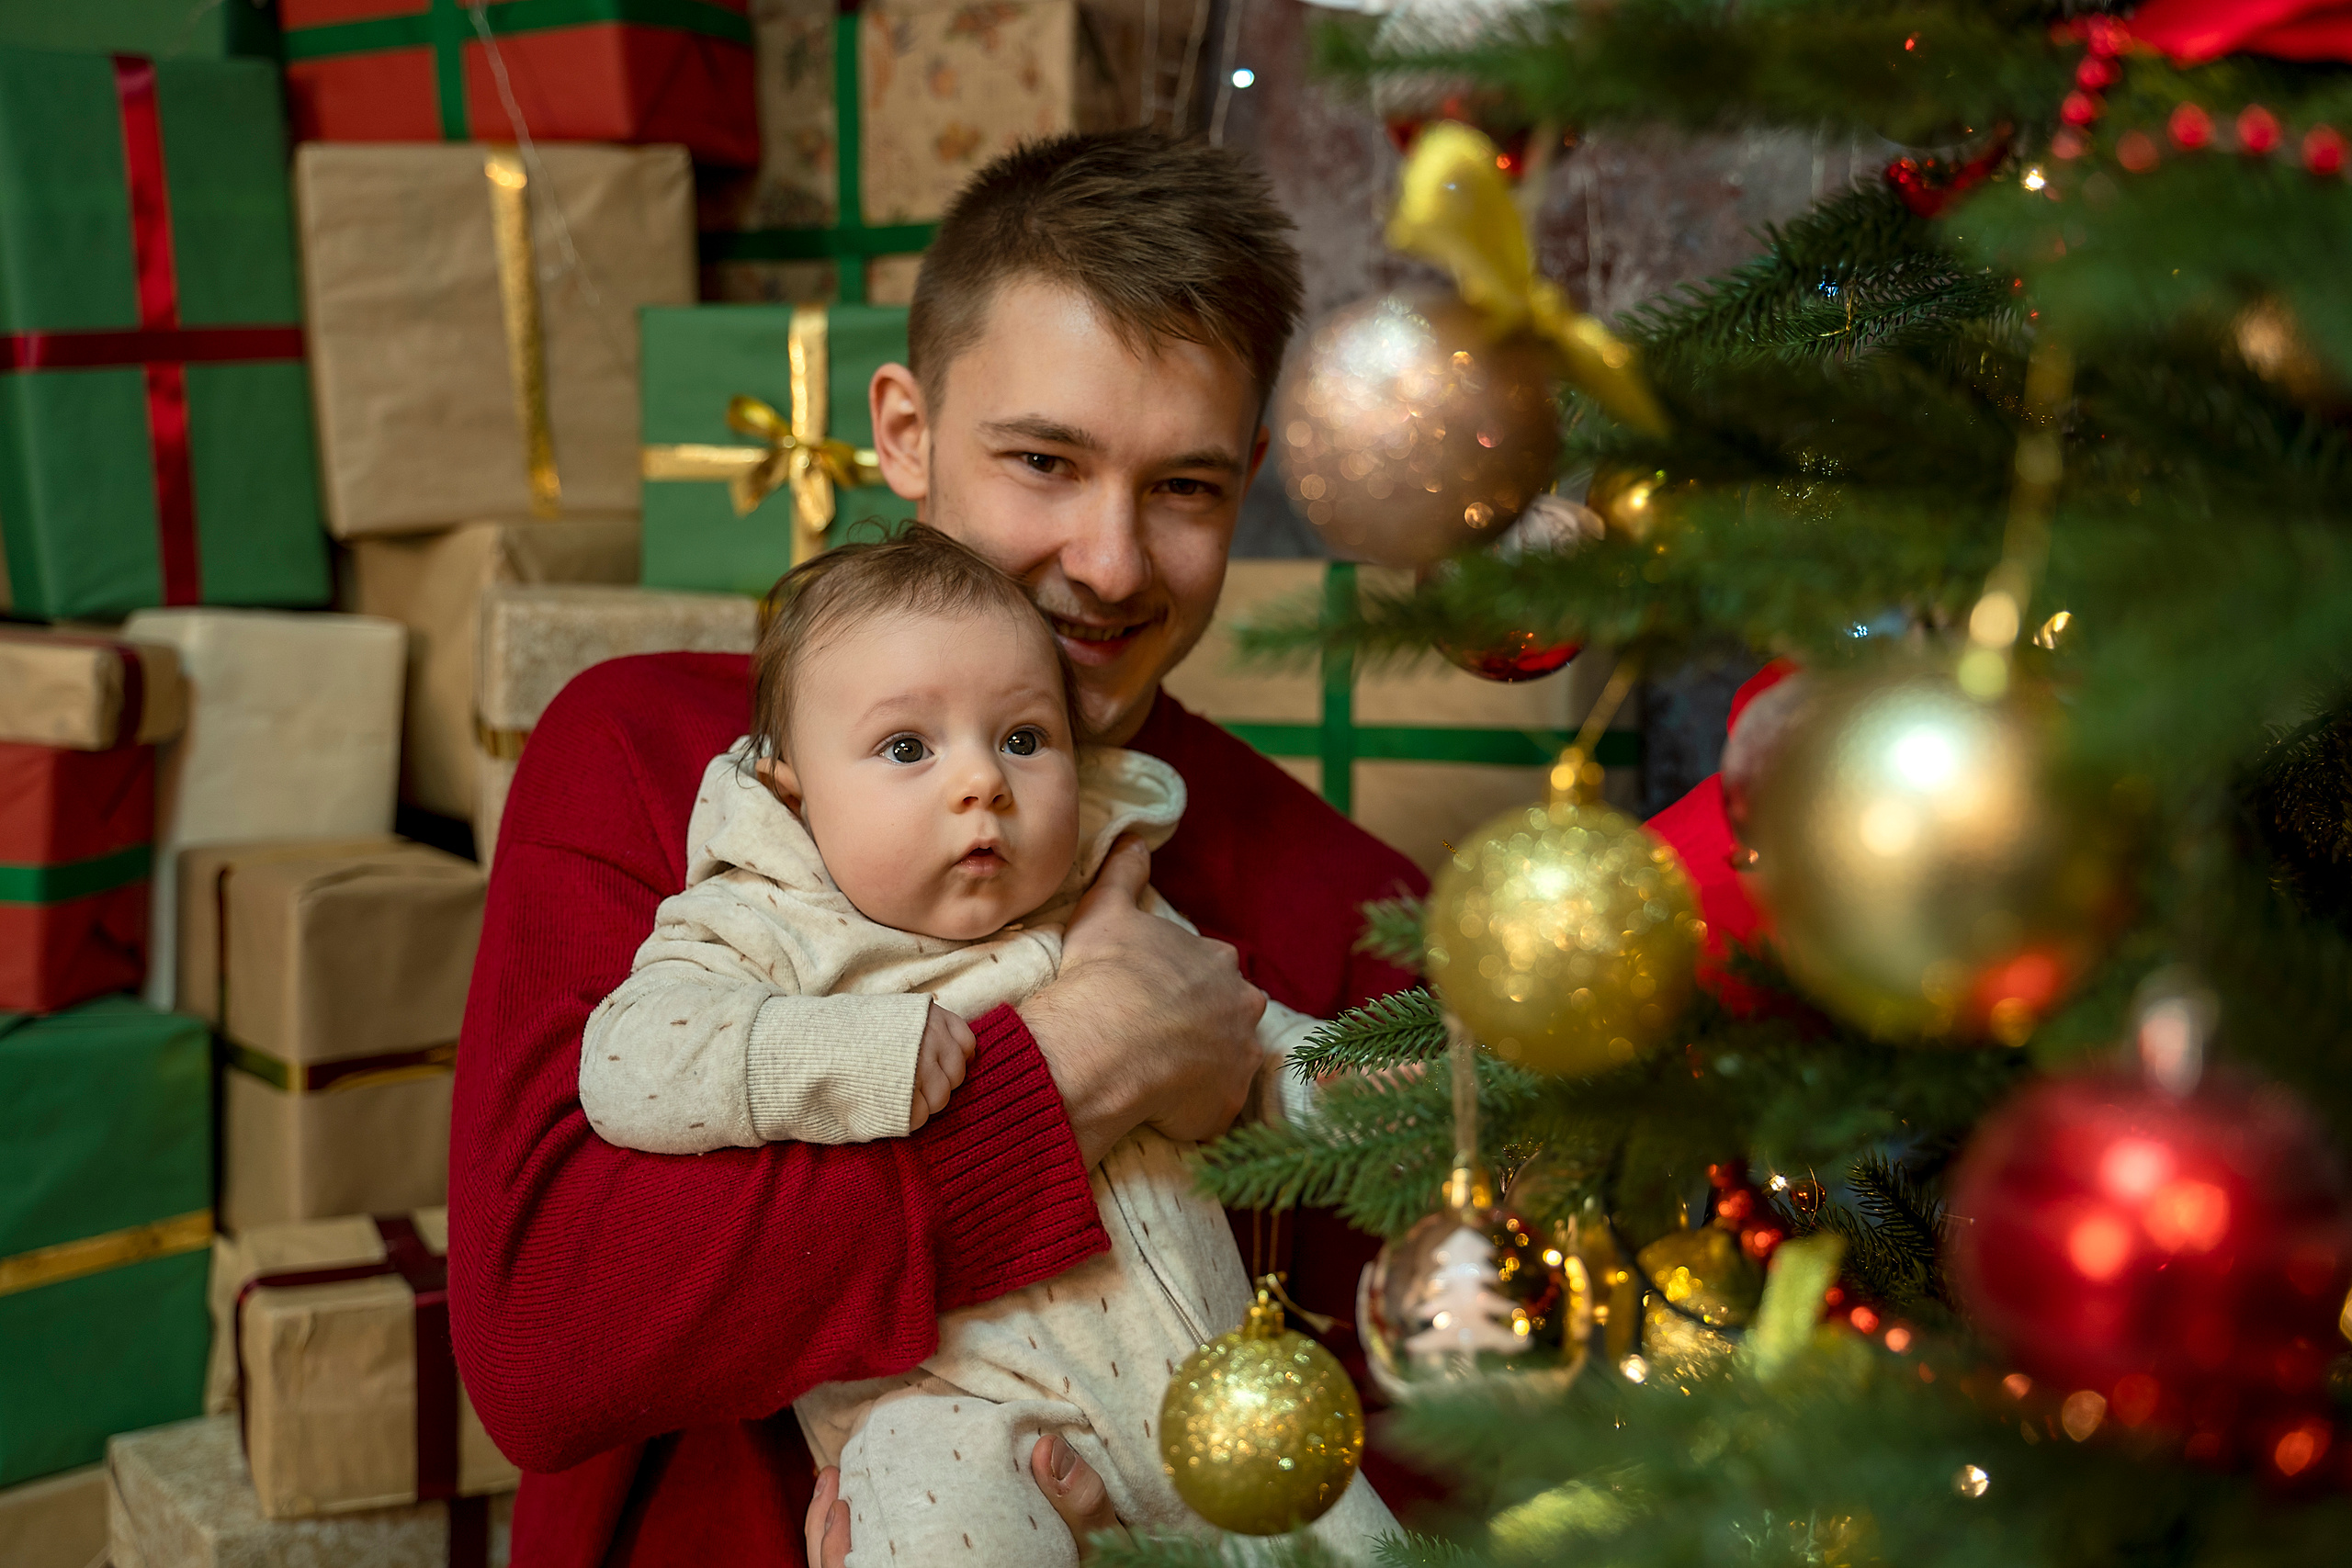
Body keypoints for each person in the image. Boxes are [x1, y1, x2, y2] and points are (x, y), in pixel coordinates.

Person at [448, 129, 1428, 1568]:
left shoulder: (1335, 889)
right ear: (903, 428)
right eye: (1045, 459)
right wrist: (1087, 1060)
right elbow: (546, 1337)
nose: (1109, 560)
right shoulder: (653, 760)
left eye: (1186, 488)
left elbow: (1398, 1434)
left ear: (1252, 483)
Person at [576, 528, 1394, 1561]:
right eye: (908, 748)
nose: (983, 784)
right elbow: (630, 1065)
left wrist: (1383, 1093)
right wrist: (853, 1055)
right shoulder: (764, 929)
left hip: (1225, 1408)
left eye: (1022, 738)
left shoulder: (1104, 904)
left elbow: (1255, 1046)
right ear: (794, 793)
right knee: (938, 1504)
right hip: (967, 1423)